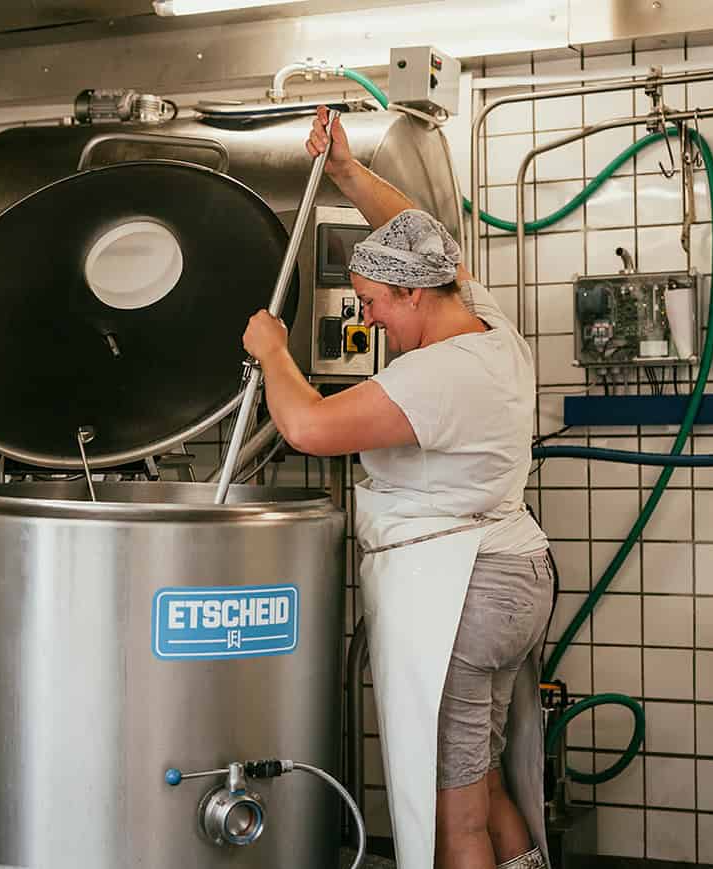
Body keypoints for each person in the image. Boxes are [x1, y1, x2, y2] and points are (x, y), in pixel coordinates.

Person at [241, 106, 553, 869]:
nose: (370, 317)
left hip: (463, 594)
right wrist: (348, 171)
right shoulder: (484, 321)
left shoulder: (436, 376)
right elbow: (421, 231)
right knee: (485, 778)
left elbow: (309, 426)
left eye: (374, 302)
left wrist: (272, 350)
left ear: (413, 296)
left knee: (456, 819)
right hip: (513, 574)